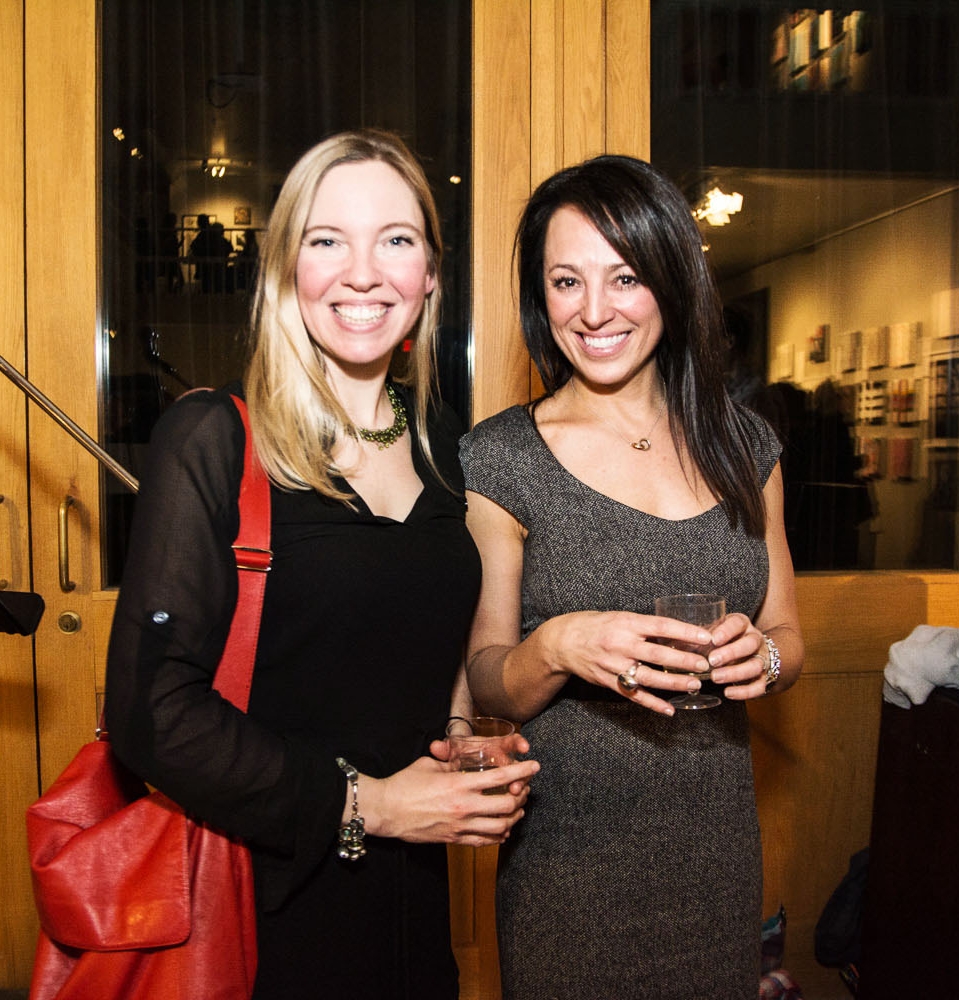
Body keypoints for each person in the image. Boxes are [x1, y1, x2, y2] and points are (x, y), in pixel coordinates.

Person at [105, 129, 538, 1000]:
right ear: (284, 272)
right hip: (259, 904)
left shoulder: (447, 447)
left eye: (397, 240)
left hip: (412, 905)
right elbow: (149, 712)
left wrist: (457, 744)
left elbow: (422, 644)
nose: (364, 271)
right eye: (327, 240)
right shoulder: (215, 441)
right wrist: (373, 806)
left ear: (430, 278)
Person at [459, 154, 805, 998]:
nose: (596, 310)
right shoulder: (502, 458)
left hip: (715, 847)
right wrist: (562, 643)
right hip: (567, 858)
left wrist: (755, 658)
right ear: (540, 298)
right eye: (566, 281)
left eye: (624, 277)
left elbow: (791, 641)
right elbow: (484, 681)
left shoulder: (745, 444)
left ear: (671, 282)